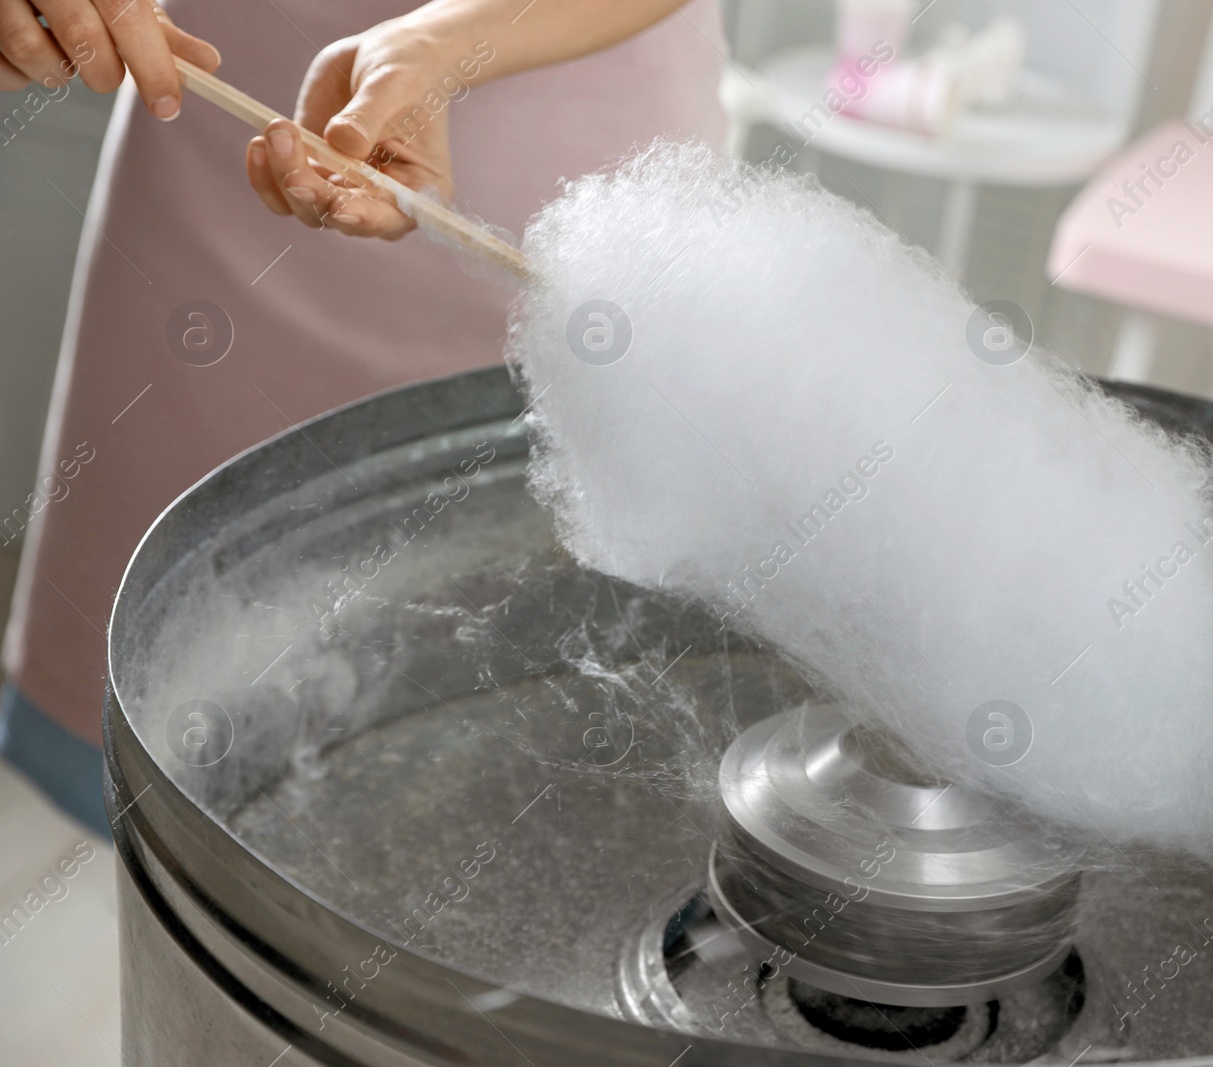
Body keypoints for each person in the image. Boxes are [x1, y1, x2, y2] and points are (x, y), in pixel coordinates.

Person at [0, 0, 726, 831]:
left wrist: (443, 42)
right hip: (214, 141)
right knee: (165, 740)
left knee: (506, 801)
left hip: (572, 172)